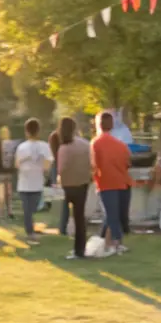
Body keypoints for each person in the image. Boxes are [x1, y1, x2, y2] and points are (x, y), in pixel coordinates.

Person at [91, 111, 131, 256]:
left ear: (98, 125)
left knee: (111, 215)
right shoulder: (121, 146)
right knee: (113, 215)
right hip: (122, 182)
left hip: (106, 183)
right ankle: (104, 241)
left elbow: (93, 165)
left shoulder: (96, 143)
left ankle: (116, 242)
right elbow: (127, 163)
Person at [56, 117, 93, 259]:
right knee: (80, 217)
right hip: (82, 183)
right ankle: (80, 248)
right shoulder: (85, 144)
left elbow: (62, 169)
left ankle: (74, 245)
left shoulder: (64, 148)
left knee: (71, 215)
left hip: (68, 185)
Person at [14, 118, 52, 245]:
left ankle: (30, 230)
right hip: (35, 182)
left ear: (26, 131)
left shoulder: (21, 147)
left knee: (29, 209)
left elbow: (17, 164)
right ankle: (30, 233)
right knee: (31, 209)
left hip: (25, 182)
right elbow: (47, 165)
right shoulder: (44, 146)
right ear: (38, 131)